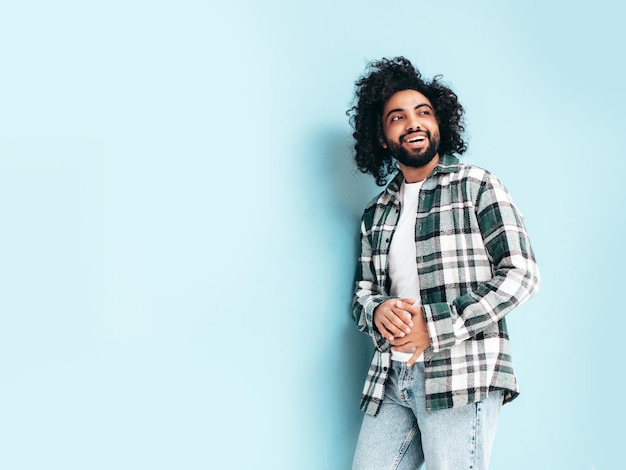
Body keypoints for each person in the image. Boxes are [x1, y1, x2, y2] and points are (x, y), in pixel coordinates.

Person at [348, 57, 540, 470]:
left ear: (439, 124)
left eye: (423, 112)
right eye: (397, 117)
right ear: (382, 138)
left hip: (461, 372)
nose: (412, 123)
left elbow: (522, 273)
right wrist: (377, 309)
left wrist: (433, 328)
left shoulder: (476, 185)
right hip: (391, 378)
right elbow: (363, 295)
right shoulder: (376, 212)